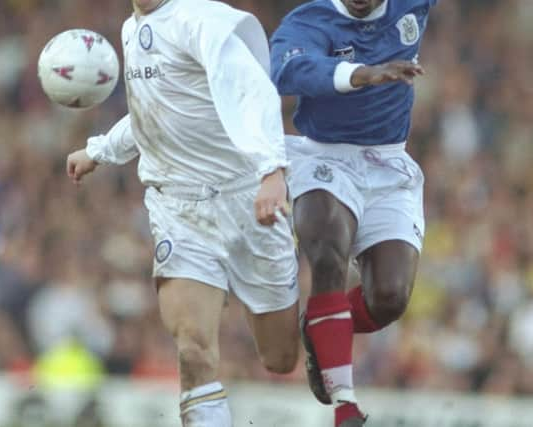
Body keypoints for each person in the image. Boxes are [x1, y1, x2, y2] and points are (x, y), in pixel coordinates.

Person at [66, 0, 300, 425]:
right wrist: (99, 150)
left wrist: (272, 171)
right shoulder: (130, 30)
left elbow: (253, 90)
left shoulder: (201, 20)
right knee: (192, 347)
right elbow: (153, 111)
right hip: (177, 204)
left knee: (280, 357)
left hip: (246, 197)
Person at [270, 0, 438, 426]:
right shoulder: (308, 20)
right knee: (327, 253)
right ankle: (345, 406)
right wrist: (361, 75)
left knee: (390, 298)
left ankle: (319, 327)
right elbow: (288, 71)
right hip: (322, 156)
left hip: (388, 164)